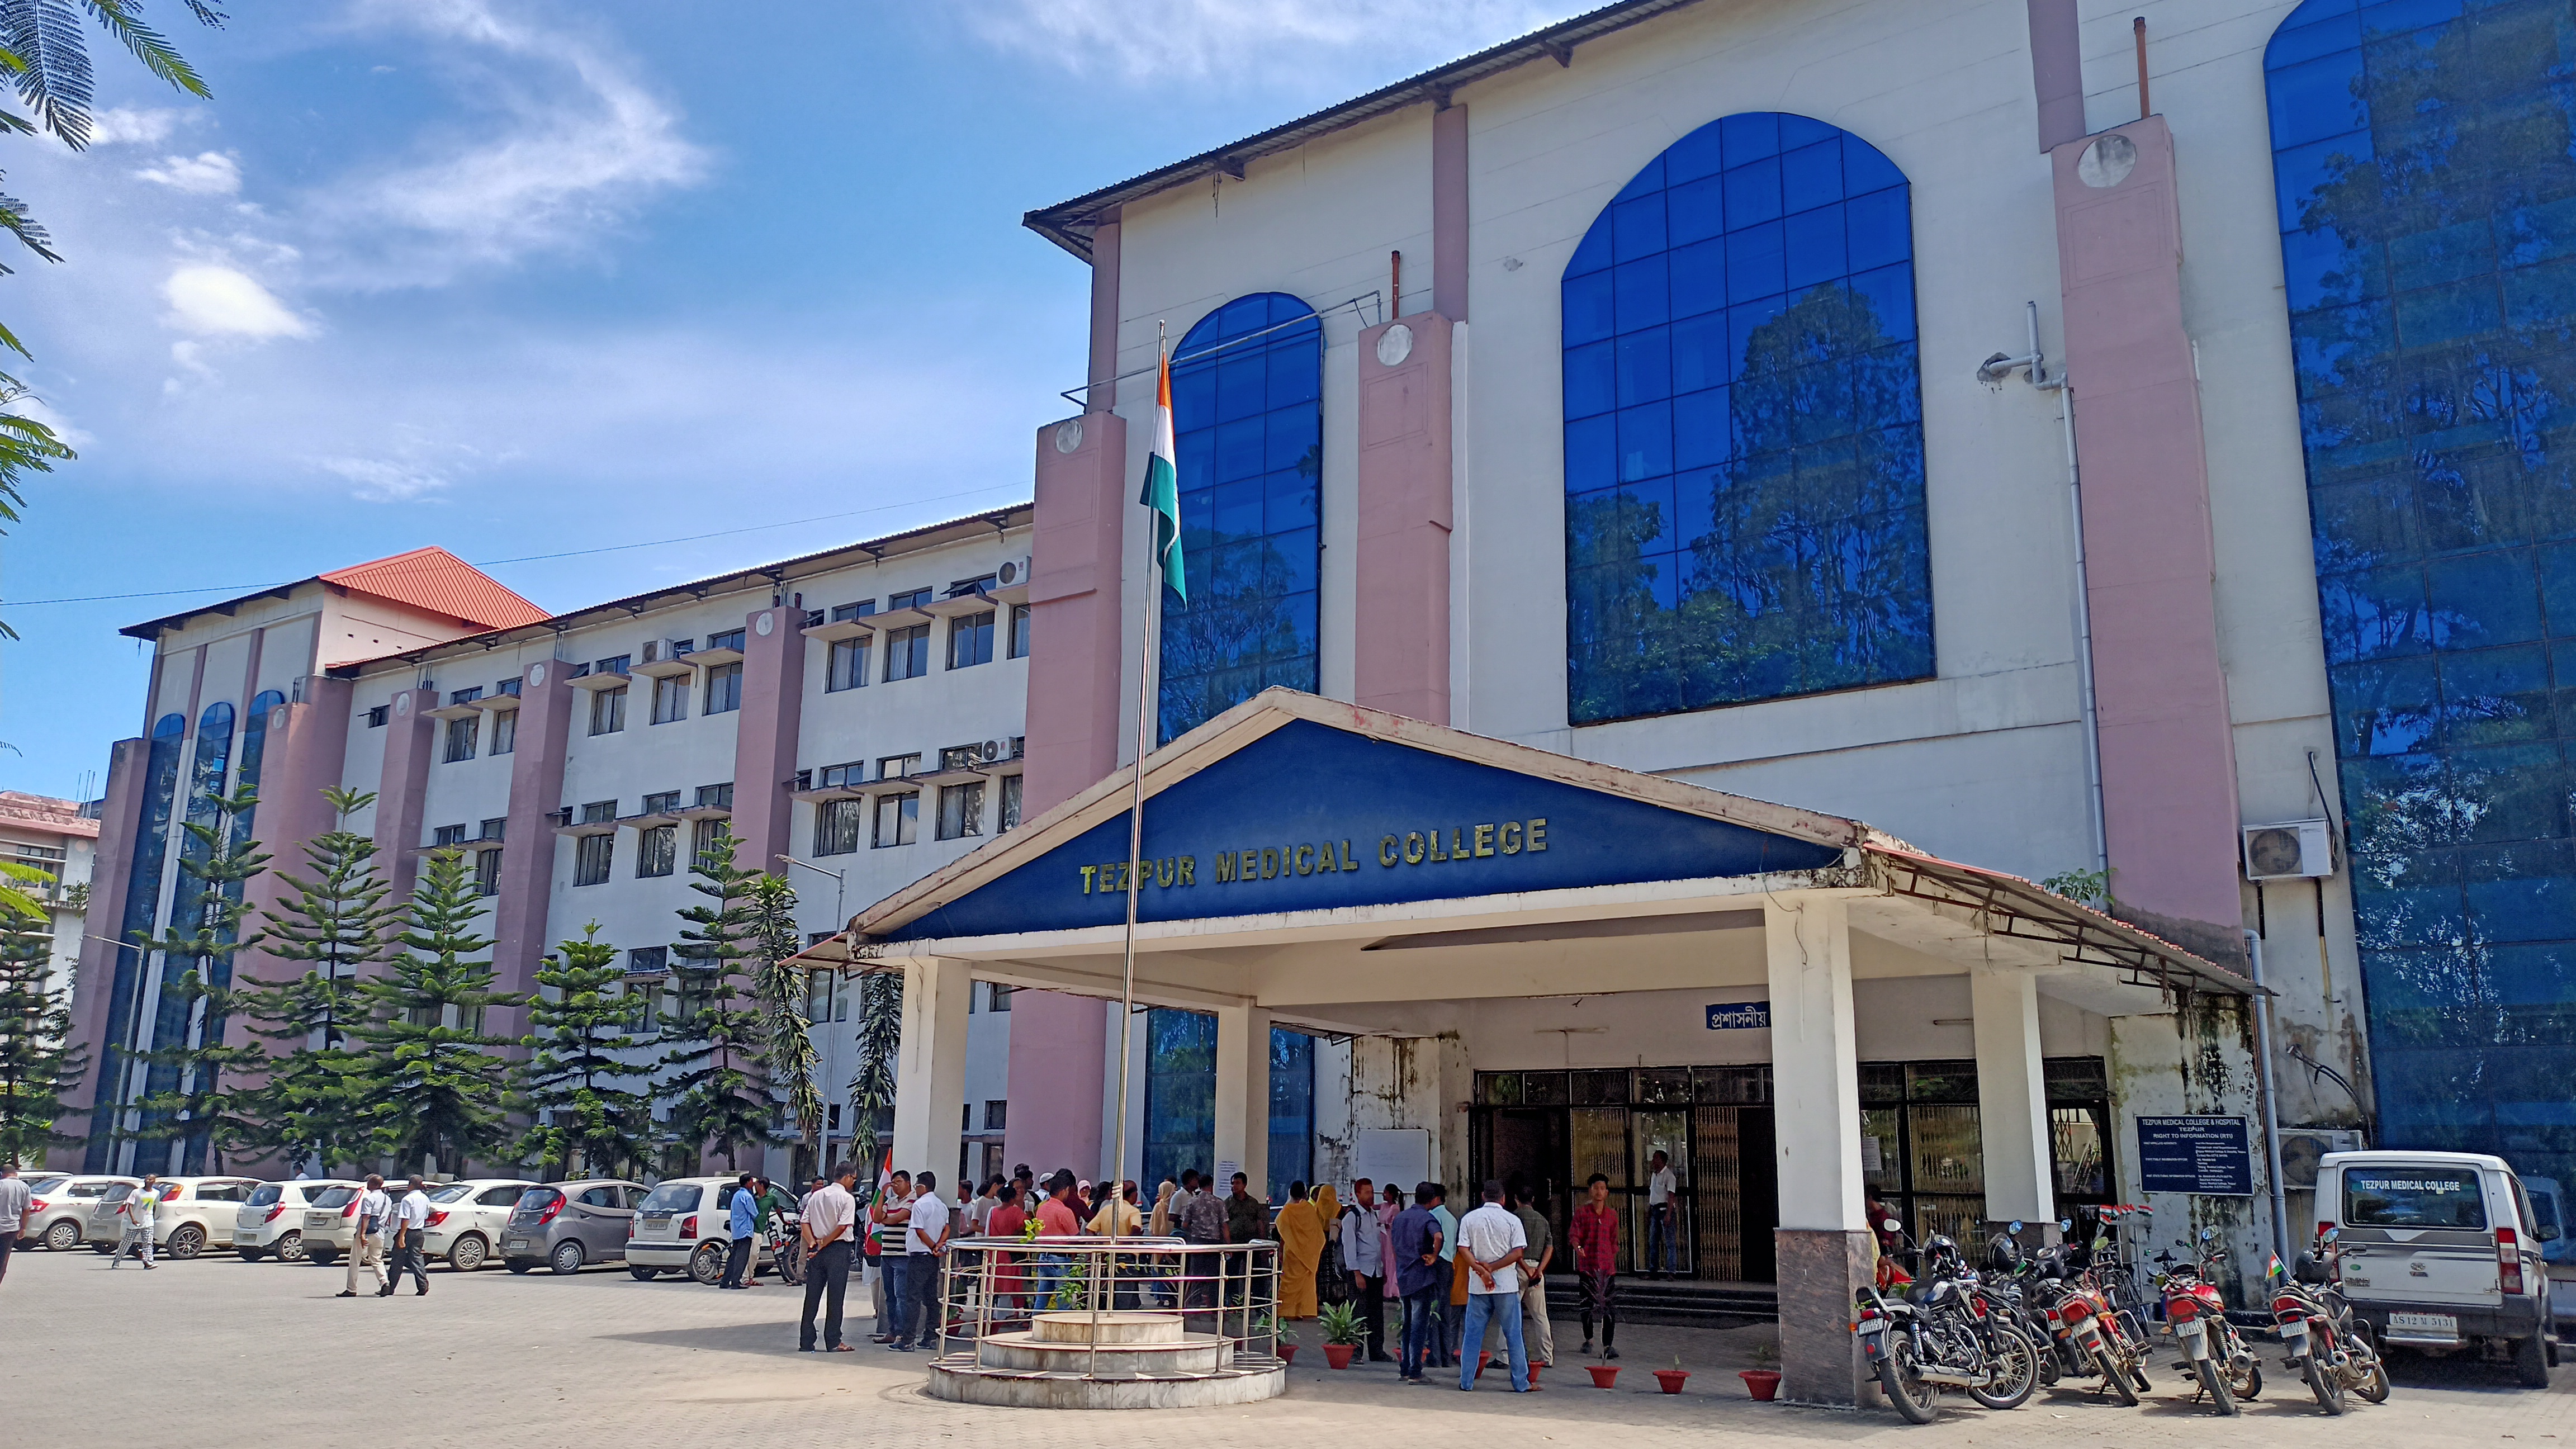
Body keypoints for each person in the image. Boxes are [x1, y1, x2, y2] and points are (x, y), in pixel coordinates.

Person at [1456, 1180, 1531, 1393]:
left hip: (1479, 1287)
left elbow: (1463, 1249)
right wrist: (1493, 1268)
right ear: (1503, 1198)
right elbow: (1518, 1254)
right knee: (1513, 1335)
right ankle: (1521, 1383)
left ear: (1483, 1196)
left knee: (1472, 1335)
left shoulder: (1470, 1219)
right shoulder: (1512, 1220)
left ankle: (1467, 1382)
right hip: (1506, 1286)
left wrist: (1482, 1272)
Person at [799, 1162, 860, 1352]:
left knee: (812, 1295)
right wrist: (825, 1242)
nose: (854, 1183)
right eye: (854, 1179)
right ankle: (833, 1340)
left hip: (816, 1249)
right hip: (837, 1249)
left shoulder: (816, 1196)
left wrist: (813, 1243)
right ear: (848, 1177)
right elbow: (843, 1226)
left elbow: (804, 1222)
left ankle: (806, 1341)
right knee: (835, 1296)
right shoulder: (847, 1198)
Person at [1390, 1180, 1444, 1384]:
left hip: (1404, 1276)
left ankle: (1404, 1369)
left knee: (1407, 1324)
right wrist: (1434, 1255)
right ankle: (1415, 1371)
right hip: (1421, 1277)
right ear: (1432, 1200)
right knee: (1419, 1326)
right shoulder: (1427, 1218)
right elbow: (1438, 1236)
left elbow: (1393, 1245)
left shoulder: (1401, 1218)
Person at [1503, 1177, 1556, 1366]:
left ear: (1516, 1199)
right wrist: (1539, 1270)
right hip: (1536, 1271)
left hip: (1516, 1269)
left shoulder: (1511, 1219)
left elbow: (1513, 1250)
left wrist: (1526, 1268)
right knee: (1540, 1316)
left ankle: (1505, 1357)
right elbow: (1549, 1247)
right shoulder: (1542, 1220)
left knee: (1508, 1313)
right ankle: (1547, 1357)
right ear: (1533, 1199)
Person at [896, 1171, 950, 1351]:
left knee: (912, 1298)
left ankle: (908, 1339)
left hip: (920, 1255)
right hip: (933, 1258)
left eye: (917, 1186)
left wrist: (933, 1245)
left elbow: (919, 1230)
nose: (915, 1189)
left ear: (922, 1187)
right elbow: (947, 1228)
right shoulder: (942, 1206)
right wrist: (939, 1246)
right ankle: (930, 1336)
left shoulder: (919, 1205)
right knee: (931, 1298)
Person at [1570, 1172, 1620, 1358]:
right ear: (1590, 1191)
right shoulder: (1582, 1213)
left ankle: (1608, 1345)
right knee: (1586, 1305)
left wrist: (1608, 1255)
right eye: (1596, 1188)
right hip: (1587, 1268)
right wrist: (1578, 1247)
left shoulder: (1612, 1216)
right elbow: (1574, 1235)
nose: (1599, 1192)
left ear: (1607, 1193)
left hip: (1607, 1269)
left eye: (1602, 1189)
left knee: (1609, 1308)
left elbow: (1614, 1240)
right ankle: (1589, 1338)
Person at [1341, 1177, 1389, 1361]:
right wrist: (1356, 1273)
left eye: (1372, 1192)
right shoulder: (1352, 1217)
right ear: (1357, 1194)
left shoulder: (1374, 1215)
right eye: (1367, 1192)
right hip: (1361, 1272)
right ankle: (1355, 1353)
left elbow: (1378, 1243)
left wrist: (1383, 1268)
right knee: (1359, 1313)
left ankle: (1377, 1351)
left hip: (1375, 1270)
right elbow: (1349, 1247)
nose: (1371, 1196)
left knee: (1377, 1314)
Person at [869, 1169, 913, 1346]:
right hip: (886, 1254)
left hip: (902, 1255)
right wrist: (883, 1195)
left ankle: (903, 1333)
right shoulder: (892, 1201)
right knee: (889, 1296)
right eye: (893, 1182)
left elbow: (897, 1218)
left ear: (908, 1183)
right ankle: (891, 1331)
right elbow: (877, 1217)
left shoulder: (912, 1200)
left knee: (901, 1295)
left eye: (899, 1182)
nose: (895, 1185)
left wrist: (886, 1220)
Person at [1176, 1168, 1226, 1310]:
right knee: (1214, 1277)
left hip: (1197, 1243)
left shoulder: (1192, 1202)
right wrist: (1228, 1246)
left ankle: (1193, 1303)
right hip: (1214, 1245)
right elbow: (1224, 1226)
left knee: (1195, 1274)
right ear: (1211, 1185)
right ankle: (1215, 1306)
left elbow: (1184, 1224)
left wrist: (1194, 1230)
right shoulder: (1218, 1203)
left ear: (1199, 1185)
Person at [1032, 1170, 1082, 1309]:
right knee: (1064, 1298)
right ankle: (1063, 1327)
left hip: (1044, 1256)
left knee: (1042, 1297)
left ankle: (1035, 1324)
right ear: (1063, 1191)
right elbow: (1076, 1237)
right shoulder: (1064, 1212)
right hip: (1061, 1258)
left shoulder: (1041, 1209)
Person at [1272, 1181, 1321, 1319]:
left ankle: (1286, 1312)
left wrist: (1281, 1250)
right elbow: (1317, 1234)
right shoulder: (1310, 1209)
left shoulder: (1287, 1211)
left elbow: (1282, 1232)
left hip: (1291, 1252)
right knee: (1306, 1283)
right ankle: (1305, 1311)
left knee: (1288, 1282)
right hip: (1308, 1253)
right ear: (1305, 1194)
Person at [338, 1174, 390, 1296]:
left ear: (373, 1184)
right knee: (377, 1259)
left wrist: (362, 1234)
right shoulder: (387, 1199)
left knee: (355, 1260)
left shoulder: (369, 1198)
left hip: (367, 1232)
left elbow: (366, 1216)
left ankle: (351, 1289)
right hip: (380, 1232)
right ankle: (385, 1283)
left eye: (369, 1182)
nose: (367, 1184)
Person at [1426, 1182, 1459, 1365]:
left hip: (1436, 1263)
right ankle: (1446, 1357)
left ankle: (1434, 1357)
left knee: (1433, 1312)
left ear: (1435, 1198)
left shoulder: (1431, 1218)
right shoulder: (1452, 1219)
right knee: (1445, 1312)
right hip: (1448, 1265)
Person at [987, 1178, 1029, 1319]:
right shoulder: (1017, 1213)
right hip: (1010, 1253)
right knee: (1009, 1283)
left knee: (994, 1282)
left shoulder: (993, 1211)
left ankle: (990, 1313)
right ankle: (1004, 1315)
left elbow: (987, 1233)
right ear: (1012, 1198)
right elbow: (1029, 1228)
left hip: (994, 1253)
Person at [387, 1174, 432, 1296]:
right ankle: (423, 1286)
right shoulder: (425, 1198)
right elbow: (427, 1215)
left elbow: (405, 1219)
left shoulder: (408, 1199)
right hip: (419, 1232)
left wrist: (401, 1236)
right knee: (417, 1259)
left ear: (411, 1185)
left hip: (407, 1232)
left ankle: (390, 1288)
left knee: (397, 1261)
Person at [110, 1173, 162, 1269]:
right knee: (127, 1242)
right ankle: (117, 1260)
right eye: (147, 1178)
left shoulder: (156, 1193)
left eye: (150, 1179)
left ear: (154, 1181)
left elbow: (154, 1206)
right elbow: (130, 1206)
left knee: (148, 1243)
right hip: (135, 1222)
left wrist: (152, 1218)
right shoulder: (136, 1192)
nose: (148, 1180)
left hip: (148, 1221)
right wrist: (133, 1219)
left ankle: (148, 1263)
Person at [722, 1173, 760, 1289]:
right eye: (752, 1181)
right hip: (745, 1230)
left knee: (734, 1256)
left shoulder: (737, 1195)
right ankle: (735, 1281)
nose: (753, 1183)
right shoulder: (747, 1197)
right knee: (742, 1258)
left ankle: (725, 1281)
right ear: (748, 1182)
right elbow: (754, 1213)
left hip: (737, 1230)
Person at [1645, 1150, 1678, 1277]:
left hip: (1665, 1210)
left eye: (1656, 1158)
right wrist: (1649, 1210)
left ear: (1663, 1160)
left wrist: (1669, 1214)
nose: (1654, 1161)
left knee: (1670, 1242)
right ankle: (1653, 1270)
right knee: (1653, 1241)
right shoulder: (1654, 1175)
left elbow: (1671, 1196)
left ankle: (1671, 1271)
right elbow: (1653, 1194)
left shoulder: (1669, 1176)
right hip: (1655, 1210)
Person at [0, 1163, 29, 1287]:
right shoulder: (24, 1187)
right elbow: (26, 1210)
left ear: (2, 1174)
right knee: (3, 1260)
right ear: (15, 1173)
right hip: (11, 1229)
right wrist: (23, 1228)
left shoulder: (1, 1185)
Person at [1225, 1172, 1266, 1246]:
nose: (1234, 1186)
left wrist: (1262, 1242)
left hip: (1251, 1242)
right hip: (1234, 1242)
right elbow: (1224, 1225)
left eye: (1237, 1183)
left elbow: (1260, 1223)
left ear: (1244, 1185)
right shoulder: (1227, 1203)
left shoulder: (1253, 1203)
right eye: (1232, 1183)